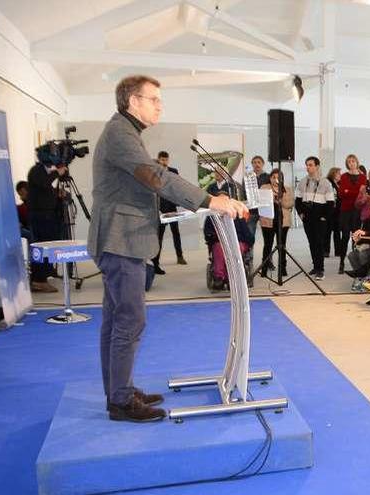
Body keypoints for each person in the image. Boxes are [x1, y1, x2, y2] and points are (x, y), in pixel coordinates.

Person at [88, 75, 248, 422]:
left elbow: (144, 182)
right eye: (154, 99)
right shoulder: (120, 134)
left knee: (117, 320)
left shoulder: (124, 132)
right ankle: (120, 401)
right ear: (133, 101)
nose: (160, 105)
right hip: (120, 240)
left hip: (120, 238)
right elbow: (154, 176)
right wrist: (209, 199)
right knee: (129, 320)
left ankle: (120, 391)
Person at [27, 146, 69, 293]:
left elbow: (45, 190)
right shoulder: (36, 171)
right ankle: (39, 280)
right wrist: (57, 173)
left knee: (47, 247)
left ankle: (44, 275)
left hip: (47, 216)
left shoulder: (45, 172)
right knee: (41, 248)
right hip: (40, 217)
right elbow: (44, 183)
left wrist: (57, 195)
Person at [295, 156, 336, 280]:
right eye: (307, 165)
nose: (308, 167)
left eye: (311, 165)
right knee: (311, 243)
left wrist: (325, 217)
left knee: (319, 244)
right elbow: (297, 200)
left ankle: (321, 269)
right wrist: (301, 214)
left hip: (320, 219)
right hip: (307, 218)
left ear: (317, 166)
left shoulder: (325, 183)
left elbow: (331, 203)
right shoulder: (303, 182)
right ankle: (315, 266)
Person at [150, 151, 186, 274]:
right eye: (162, 159)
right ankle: (156, 262)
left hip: (171, 206)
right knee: (159, 236)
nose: (164, 161)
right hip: (159, 208)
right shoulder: (154, 172)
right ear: (158, 159)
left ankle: (180, 256)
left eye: (166, 159)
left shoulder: (173, 171)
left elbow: (178, 186)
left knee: (176, 232)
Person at [258, 168, 294, 277]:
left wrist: (280, 199)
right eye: (273, 177)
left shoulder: (286, 189)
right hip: (268, 221)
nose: (276, 179)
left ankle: (283, 268)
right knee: (267, 245)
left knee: (282, 245)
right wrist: (271, 199)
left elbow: (290, 204)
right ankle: (264, 268)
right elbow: (262, 201)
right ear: (270, 178)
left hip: (283, 221)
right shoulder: (264, 188)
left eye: (278, 177)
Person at [336, 154, 367, 274]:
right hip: (345, 211)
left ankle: (356, 263)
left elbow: (361, 194)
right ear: (347, 164)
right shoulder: (343, 176)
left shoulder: (363, 177)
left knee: (356, 238)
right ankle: (341, 262)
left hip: (357, 210)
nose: (351, 163)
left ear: (357, 162)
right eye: (349, 161)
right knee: (344, 237)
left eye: (353, 161)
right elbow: (341, 193)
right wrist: (353, 192)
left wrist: (349, 191)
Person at [245, 155, 270, 239]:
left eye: (259, 162)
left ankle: (267, 253)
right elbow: (243, 192)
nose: (257, 164)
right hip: (251, 210)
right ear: (252, 164)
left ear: (263, 164)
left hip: (264, 210)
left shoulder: (268, 177)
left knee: (267, 237)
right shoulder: (247, 177)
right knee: (249, 235)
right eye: (254, 162)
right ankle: (249, 252)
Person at [324, 166, 342, 260]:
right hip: (330, 210)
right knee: (328, 231)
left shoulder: (338, 184)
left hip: (337, 211)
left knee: (337, 232)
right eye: (339, 173)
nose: (340, 175)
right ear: (334, 174)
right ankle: (326, 251)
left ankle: (338, 251)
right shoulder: (328, 182)